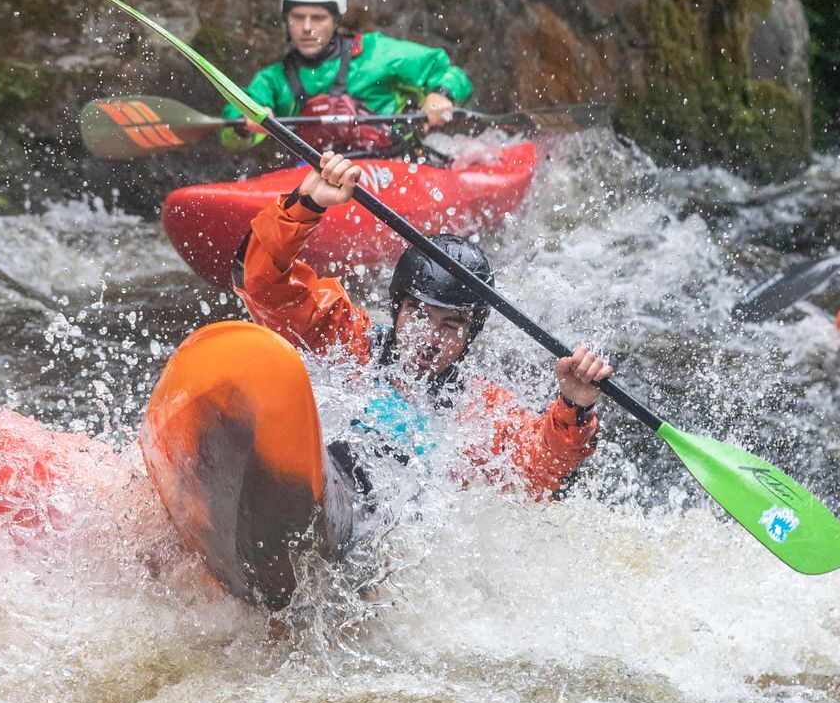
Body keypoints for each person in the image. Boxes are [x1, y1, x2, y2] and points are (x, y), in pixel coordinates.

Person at [232, 150, 613, 498]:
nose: (430, 338)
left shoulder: (479, 407)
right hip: (319, 478)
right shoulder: (348, 342)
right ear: (397, 308)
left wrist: (573, 406)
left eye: (451, 324)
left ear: (470, 333)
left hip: (381, 527)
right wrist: (306, 203)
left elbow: (536, 475)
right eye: (418, 313)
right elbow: (259, 285)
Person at [222, 0, 474, 156]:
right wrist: (243, 123)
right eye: (298, 17)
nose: (307, 27)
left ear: (336, 20)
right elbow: (230, 131)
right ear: (287, 20)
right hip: (318, 176)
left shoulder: (377, 53)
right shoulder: (275, 79)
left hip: (393, 163)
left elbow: (449, 72)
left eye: (318, 18)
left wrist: (441, 94)